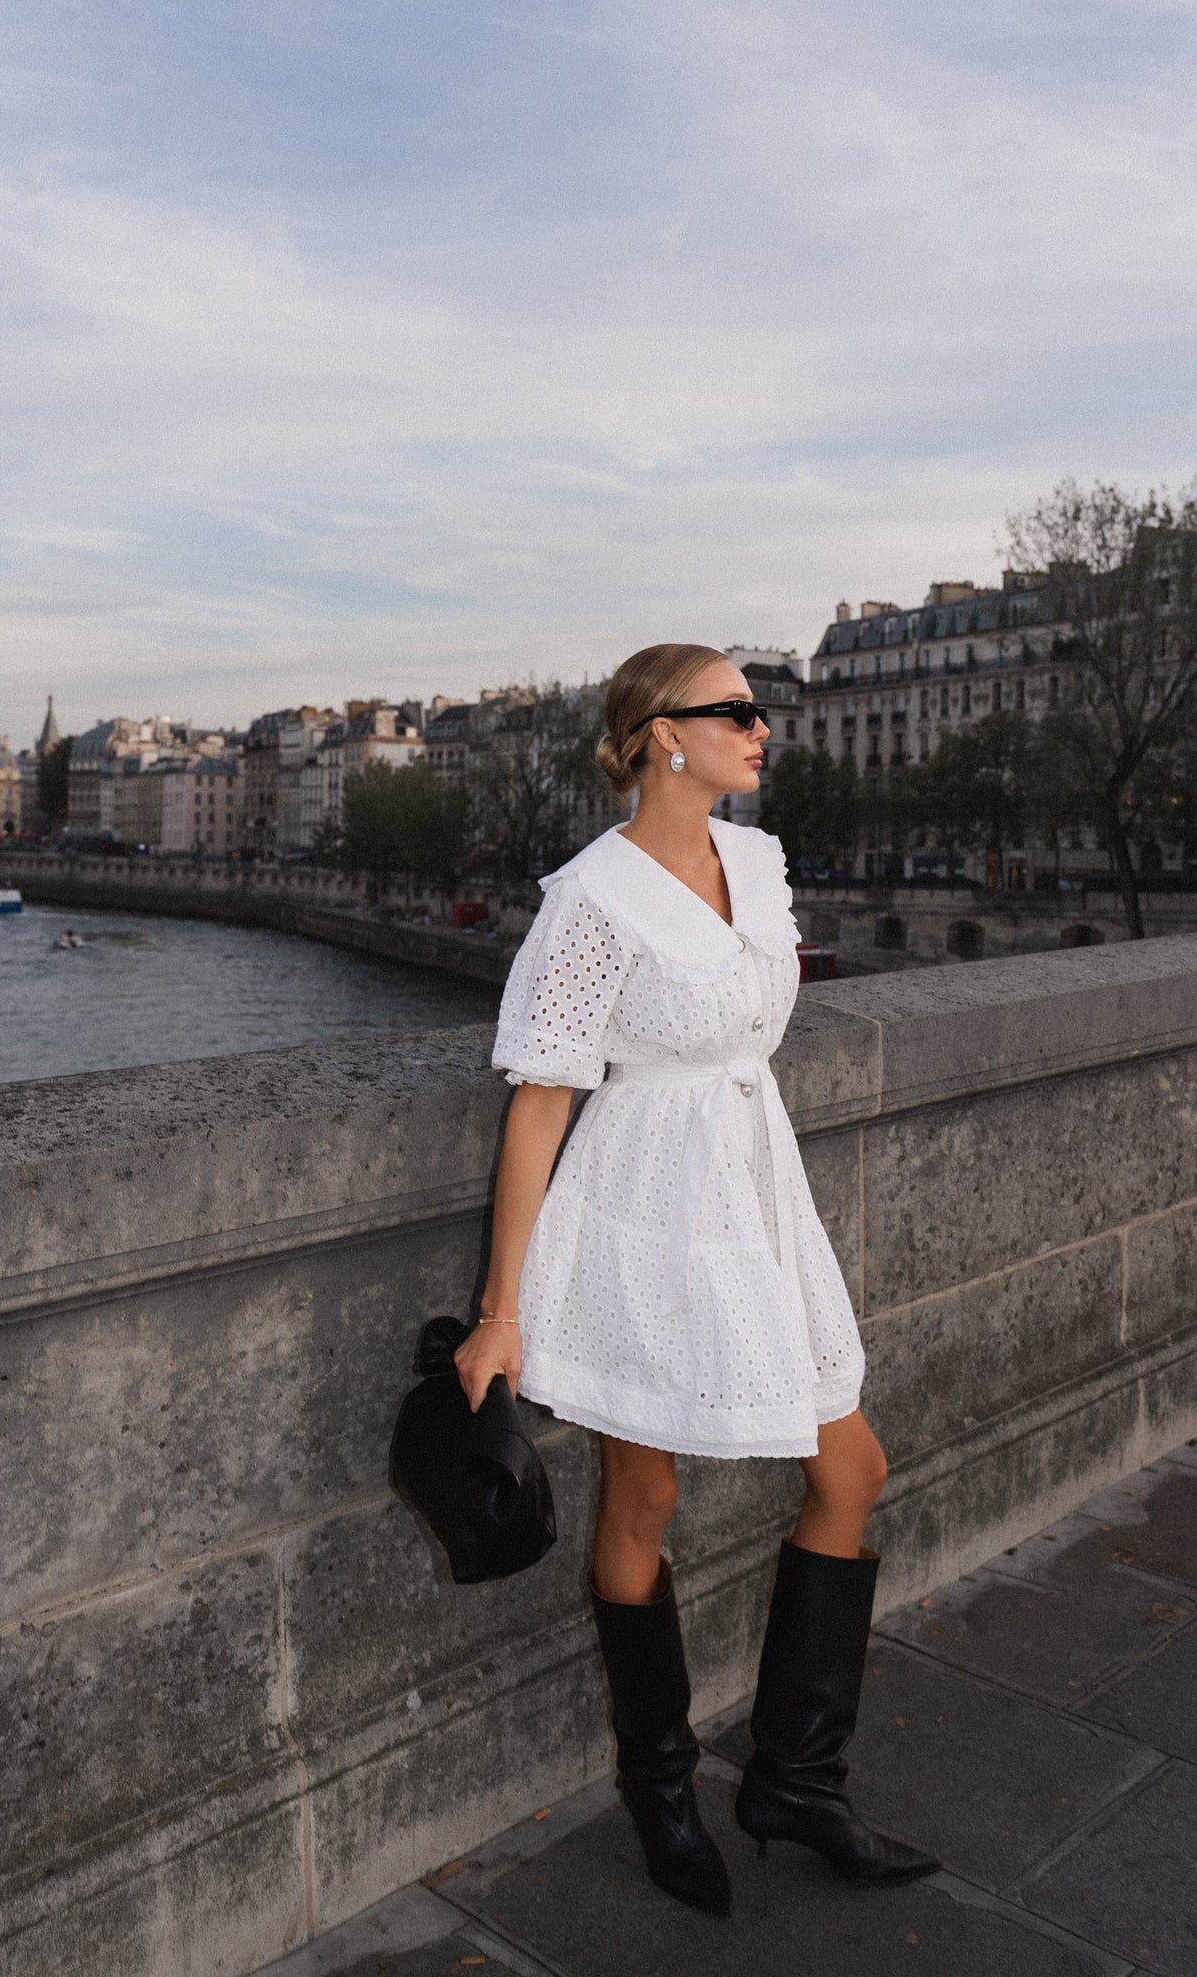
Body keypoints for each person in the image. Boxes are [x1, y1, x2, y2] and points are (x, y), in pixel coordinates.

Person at [454, 643, 939, 1918]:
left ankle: (796, 1779)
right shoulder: (590, 901)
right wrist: (499, 1313)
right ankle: (660, 1784)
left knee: (850, 1468)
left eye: (757, 709)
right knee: (644, 1491)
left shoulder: (762, 862)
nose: (759, 726)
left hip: (753, 1188)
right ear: (662, 735)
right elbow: (541, 1101)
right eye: (734, 710)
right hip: (641, 1208)